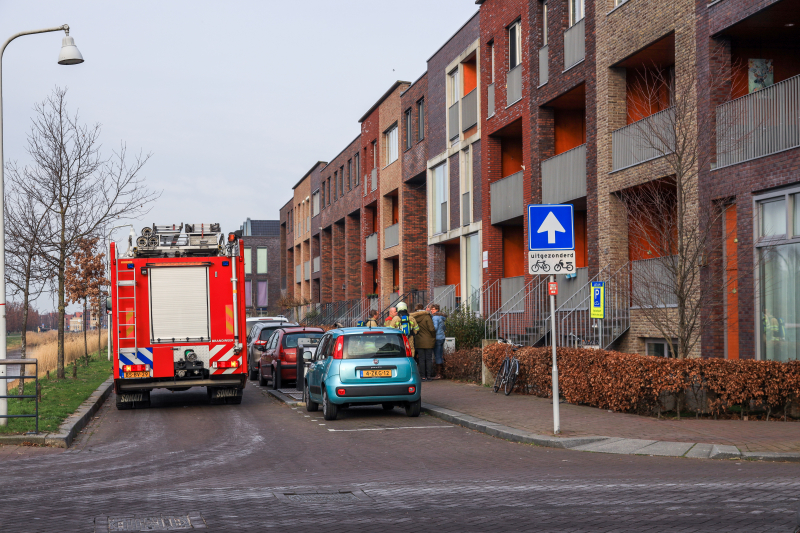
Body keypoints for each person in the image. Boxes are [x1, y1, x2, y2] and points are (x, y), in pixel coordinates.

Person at [411, 303, 436, 381]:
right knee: (428, 359)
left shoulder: (413, 317)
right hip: (428, 340)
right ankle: (428, 376)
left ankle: (422, 376)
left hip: (418, 340)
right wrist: (433, 336)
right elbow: (431, 329)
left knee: (421, 359)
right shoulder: (427, 316)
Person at [430, 304, 447, 380]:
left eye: (433, 309)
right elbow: (444, 328)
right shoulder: (441, 317)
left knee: (437, 356)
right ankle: (442, 373)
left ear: (437, 309)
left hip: (437, 338)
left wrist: (430, 332)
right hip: (442, 337)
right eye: (431, 309)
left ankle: (439, 374)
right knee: (440, 355)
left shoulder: (435, 317)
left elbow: (435, 328)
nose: (432, 310)